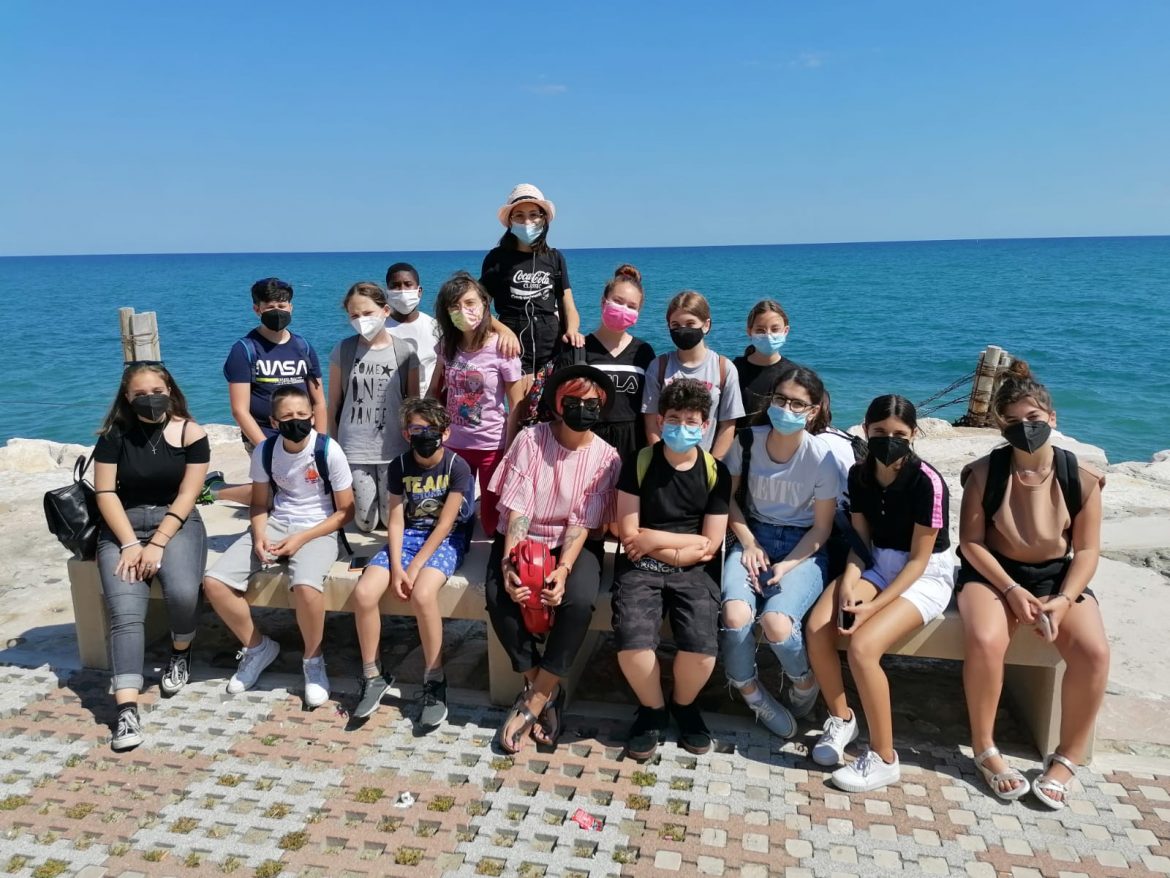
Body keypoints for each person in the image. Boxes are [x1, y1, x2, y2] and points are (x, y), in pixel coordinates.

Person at [957, 361, 1108, 809]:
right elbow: (970, 543)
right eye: (1013, 420)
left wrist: (1063, 600)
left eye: (1034, 418)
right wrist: (1010, 590)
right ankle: (985, 748)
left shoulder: (1081, 478)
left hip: (1055, 575)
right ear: (1000, 426)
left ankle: (1067, 758)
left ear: (1052, 418)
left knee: (1094, 652)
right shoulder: (984, 473)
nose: (1025, 427)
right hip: (993, 573)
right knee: (986, 640)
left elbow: (1087, 550)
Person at [805, 395, 954, 792]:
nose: (890, 440)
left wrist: (871, 606)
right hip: (877, 564)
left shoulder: (927, 482)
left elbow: (918, 562)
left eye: (899, 434)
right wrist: (849, 583)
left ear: (914, 434)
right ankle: (842, 718)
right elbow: (861, 544)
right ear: (866, 430)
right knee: (818, 626)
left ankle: (884, 757)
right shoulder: (859, 475)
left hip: (923, 576)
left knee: (863, 648)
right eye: (880, 432)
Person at [486, 365, 621, 753]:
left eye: (592, 403)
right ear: (558, 404)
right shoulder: (531, 440)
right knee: (499, 594)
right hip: (524, 537)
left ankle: (534, 699)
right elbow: (519, 509)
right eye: (573, 401)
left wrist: (562, 569)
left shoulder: (606, 457)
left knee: (578, 600)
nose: (582, 408)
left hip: (571, 545)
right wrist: (511, 561)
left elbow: (582, 522)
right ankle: (545, 688)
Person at [203, 385, 355, 708]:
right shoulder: (266, 451)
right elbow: (259, 504)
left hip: (318, 528)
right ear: (274, 422)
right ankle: (257, 648)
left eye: (302, 415)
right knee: (215, 583)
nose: (295, 421)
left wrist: (301, 539)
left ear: (312, 417)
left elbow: (345, 511)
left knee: (305, 586)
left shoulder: (329, 451)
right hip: (276, 522)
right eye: (287, 416)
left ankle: (313, 660)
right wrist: (259, 536)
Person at [92, 363, 210, 751]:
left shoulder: (191, 433)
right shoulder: (114, 435)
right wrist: (130, 543)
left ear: (170, 389)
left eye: (156, 391)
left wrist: (157, 542)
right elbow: (105, 492)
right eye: (140, 394)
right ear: (127, 398)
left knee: (182, 591)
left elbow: (188, 494)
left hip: (175, 522)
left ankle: (181, 651)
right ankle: (126, 710)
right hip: (123, 525)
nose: (150, 399)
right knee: (125, 613)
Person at [720, 366, 840, 738]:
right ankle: (751, 692)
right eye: (781, 399)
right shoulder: (746, 441)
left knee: (777, 623)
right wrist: (749, 543)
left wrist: (785, 567)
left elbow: (822, 529)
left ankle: (804, 681)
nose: (786, 409)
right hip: (752, 535)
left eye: (797, 404)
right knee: (736, 615)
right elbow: (727, 501)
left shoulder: (822, 457)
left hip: (803, 546)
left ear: (814, 410)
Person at [614, 379, 731, 760]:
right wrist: (678, 549)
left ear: (705, 426)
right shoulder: (640, 462)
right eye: (675, 418)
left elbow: (711, 544)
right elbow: (629, 535)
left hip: (694, 570)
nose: (683, 426)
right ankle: (652, 710)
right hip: (640, 565)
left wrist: (655, 540)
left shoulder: (716, 471)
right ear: (661, 420)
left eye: (692, 421)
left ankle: (684, 706)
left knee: (702, 647)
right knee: (633, 640)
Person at [350, 397, 474, 725]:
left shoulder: (457, 466)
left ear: (445, 432)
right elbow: (395, 519)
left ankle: (434, 678)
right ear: (406, 434)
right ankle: (372, 674)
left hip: (445, 539)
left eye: (431, 429)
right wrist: (396, 568)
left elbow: (446, 523)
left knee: (422, 594)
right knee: (364, 593)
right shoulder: (400, 466)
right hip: (407, 537)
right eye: (416, 429)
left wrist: (415, 566)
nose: (424, 435)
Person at [426, 272, 525, 539]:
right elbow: (434, 391)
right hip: (453, 445)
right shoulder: (447, 346)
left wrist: (511, 448)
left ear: (484, 303)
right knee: (457, 520)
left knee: (492, 526)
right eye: (455, 306)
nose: (463, 311)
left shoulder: (502, 348)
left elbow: (516, 404)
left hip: (492, 446)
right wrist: (430, 431)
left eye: (470, 303)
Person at [217, 278, 327, 505]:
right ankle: (216, 490)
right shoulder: (244, 349)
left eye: (282, 306)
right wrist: (266, 448)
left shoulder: (303, 347)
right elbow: (239, 410)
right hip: (264, 434)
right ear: (257, 309)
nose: (277, 311)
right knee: (275, 498)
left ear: (291, 307)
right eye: (269, 307)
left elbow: (319, 402)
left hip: (303, 433)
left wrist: (321, 443)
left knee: (314, 490)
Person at [327, 281, 420, 532]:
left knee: (391, 522)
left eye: (367, 313)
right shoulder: (343, 350)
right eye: (354, 315)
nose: (361, 320)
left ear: (385, 310)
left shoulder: (405, 352)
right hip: (353, 448)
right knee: (365, 523)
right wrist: (331, 447)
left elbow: (413, 404)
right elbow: (333, 403)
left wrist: (415, 447)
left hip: (394, 447)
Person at [480, 183, 581, 382]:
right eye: (519, 215)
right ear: (510, 221)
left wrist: (572, 331)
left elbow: (569, 305)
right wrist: (503, 330)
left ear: (543, 219)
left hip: (552, 345)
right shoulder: (496, 258)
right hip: (512, 344)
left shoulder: (555, 258)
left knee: (551, 401)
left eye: (534, 215)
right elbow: (479, 307)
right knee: (521, 401)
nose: (527, 221)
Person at [556, 264, 656, 461]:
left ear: (638, 312)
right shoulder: (578, 348)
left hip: (633, 446)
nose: (623, 309)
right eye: (618, 301)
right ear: (603, 302)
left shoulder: (644, 352)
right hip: (586, 443)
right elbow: (558, 405)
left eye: (631, 306)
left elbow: (651, 409)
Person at [642, 291, 745, 458]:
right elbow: (652, 422)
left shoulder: (724, 368)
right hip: (664, 460)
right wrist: (660, 461)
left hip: (706, 461)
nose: (683, 330)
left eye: (690, 323)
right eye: (676, 325)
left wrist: (713, 464)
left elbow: (727, 425)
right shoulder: (658, 367)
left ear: (706, 325)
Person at [734, 300, 801, 428]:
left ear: (786, 331)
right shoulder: (733, 370)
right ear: (749, 331)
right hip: (738, 440)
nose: (768, 335)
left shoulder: (794, 374)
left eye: (775, 329)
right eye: (760, 330)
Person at [385, 262, 439, 392]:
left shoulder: (436, 327)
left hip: (426, 402)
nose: (402, 291)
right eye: (395, 286)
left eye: (408, 284)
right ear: (387, 292)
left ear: (419, 291)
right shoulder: (379, 329)